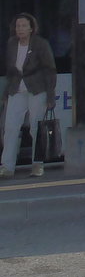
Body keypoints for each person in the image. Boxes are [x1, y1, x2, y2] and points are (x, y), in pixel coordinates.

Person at [1, 12, 57, 178]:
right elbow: (10, 71)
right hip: (16, 90)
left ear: (32, 28)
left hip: (37, 89)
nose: (20, 29)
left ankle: (37, 165)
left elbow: (50, 69)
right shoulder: (12, 43)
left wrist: (50, 95)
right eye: (18, 26)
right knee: (10, 128)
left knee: (36, 128)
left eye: (24, 26)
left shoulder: (41, 44)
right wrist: (6, 93)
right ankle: (7, 166)